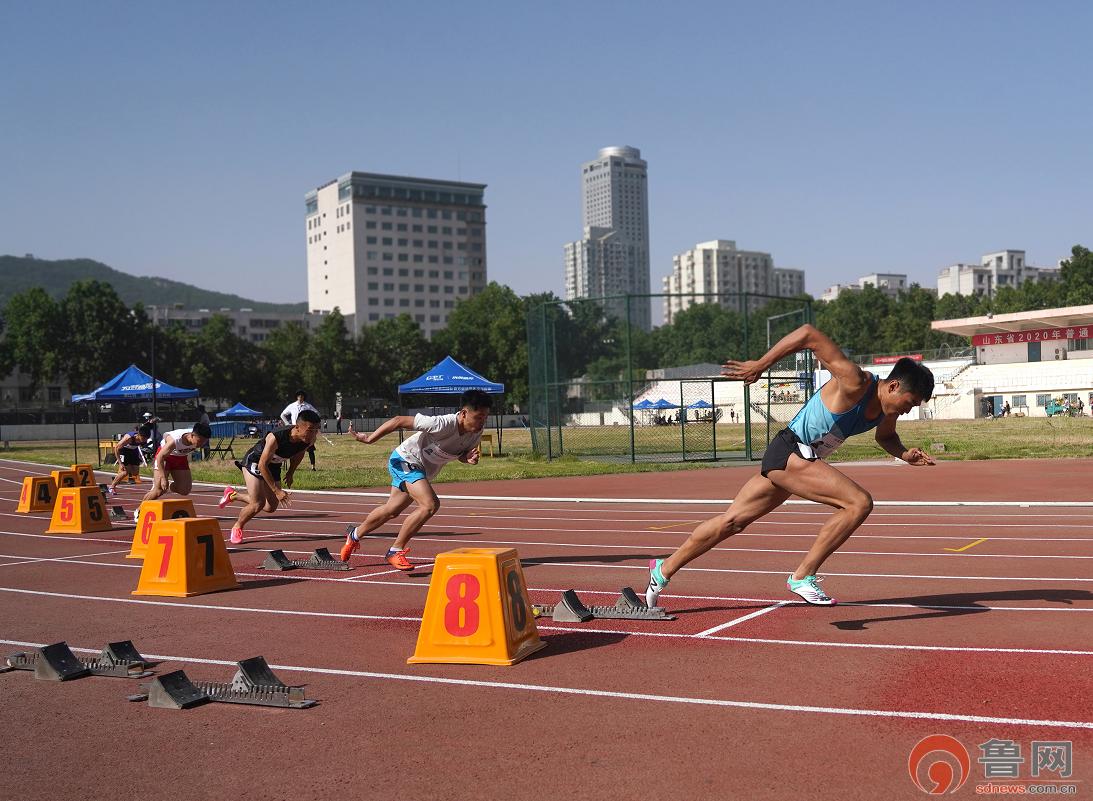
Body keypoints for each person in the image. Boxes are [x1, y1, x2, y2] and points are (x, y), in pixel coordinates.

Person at [646, 325, 935, 608]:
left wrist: (905, 454)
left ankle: (663, 570)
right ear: (894, 386)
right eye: (908, 403)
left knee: (732, 522)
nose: (907, 410)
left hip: (796, 460)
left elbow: (886, 436)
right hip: (791, 451)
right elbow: (809, 333)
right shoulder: (855, 381)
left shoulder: (886, 408)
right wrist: (761, 365)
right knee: (858, 503)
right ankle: (803, 576)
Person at [339, 389, 492, 570]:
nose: (482, 422)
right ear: (464, 413)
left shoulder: (475, 431)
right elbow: (398, 420)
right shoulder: (441, 423)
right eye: (479, 417)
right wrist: (370, 439)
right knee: (430, 504)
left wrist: (467, 459)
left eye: (485, 417)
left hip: (420, 471)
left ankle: (354, 535)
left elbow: (460, 454)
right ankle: (395, 550)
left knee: (392, 510)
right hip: (405, 460)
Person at [218, 409, 321, 545]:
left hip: (274, 465)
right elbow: (262, 465)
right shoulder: (276, 437)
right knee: (257, 504)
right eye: (310, 429)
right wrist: (277, 491)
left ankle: (233, 495)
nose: (313, 433)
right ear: (297, 427)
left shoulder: (310, 438)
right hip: (256, 461)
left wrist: (290, 472)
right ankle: (237, 526)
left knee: (270, 507)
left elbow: (299, 453)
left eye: (316, 429)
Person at [135, 422, 213, 519]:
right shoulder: (175, 440)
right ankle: (139, 510)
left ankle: (170, 485)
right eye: (200, 441)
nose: (202, 444)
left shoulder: (196, 437)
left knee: (185, 490)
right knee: (158, 490)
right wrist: (163, 478)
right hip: (165, 457)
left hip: (180, 458)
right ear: (192, 436)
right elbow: (160, 457)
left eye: (205, 442)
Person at [281, 390, 320, 471]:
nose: (300, 397)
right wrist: (287, 424)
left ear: (304, 397)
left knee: (310, 448)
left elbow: (317, 413)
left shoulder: (308, 406)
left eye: (302, 396)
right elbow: (283, 415)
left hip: (305, 430)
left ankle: (313, 466)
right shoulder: (292, 406)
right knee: (290, 447)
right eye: (299, 396)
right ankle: (289, 466)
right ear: (296, 397)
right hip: (295, 428)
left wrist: (312, 423)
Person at [107, 424, 152, 494]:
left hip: (133, 450)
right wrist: (120, 463)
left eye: (146, 439)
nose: (144, 440)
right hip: (124, 451)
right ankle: (112, 487)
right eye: (143, 439)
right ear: (138, 435)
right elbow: (116, 448)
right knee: (125, 472)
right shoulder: (129, 438)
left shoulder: (144, 437)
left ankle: (128, 468)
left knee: (135, 473)